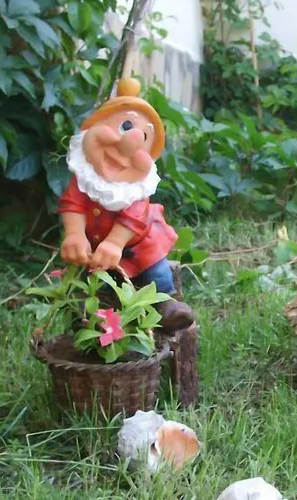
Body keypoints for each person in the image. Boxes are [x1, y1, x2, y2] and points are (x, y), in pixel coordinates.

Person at [57, 77, 194, 331]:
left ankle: (166, 303)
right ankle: (88, 316)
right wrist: (75, 234)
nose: (128, 144)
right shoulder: (84, 178)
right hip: (94, 247)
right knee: (86, 281)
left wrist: (115, 242)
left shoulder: (135, 189)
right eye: (125, 126)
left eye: (144, 137)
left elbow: (133, 218)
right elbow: (72, 205)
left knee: (156, 271)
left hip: (138, 243)